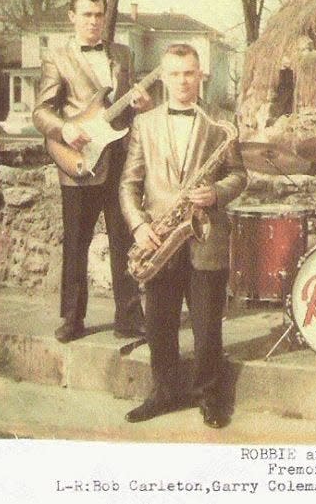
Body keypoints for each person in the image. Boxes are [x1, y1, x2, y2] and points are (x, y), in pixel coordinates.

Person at [119, 44, 247, 428]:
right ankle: (163, 392)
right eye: (174, 74)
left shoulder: (222, 120)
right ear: (163, 76)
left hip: (205, 234)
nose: (182, 81)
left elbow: (239, 174)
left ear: (201, 75)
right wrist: (140, 227)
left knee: (208, 325)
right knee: (159, 322)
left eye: (189, 73)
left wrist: (217, 193)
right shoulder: (145, 122)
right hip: (158, 238)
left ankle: (210, 395)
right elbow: (129, 183)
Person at [32, 0, 149, 343]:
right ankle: (72, 318)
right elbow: (40, 111)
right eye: (86, 15)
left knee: (123, 240)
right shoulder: (57, 56)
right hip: (79, 162)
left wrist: (141, 104)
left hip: (118, 158)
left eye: (99, 15)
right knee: (76, 244)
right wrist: (65, 129)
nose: (94, 22)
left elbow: (125, 110)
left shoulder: (123, 55)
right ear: (72, 17)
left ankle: (128, 317)